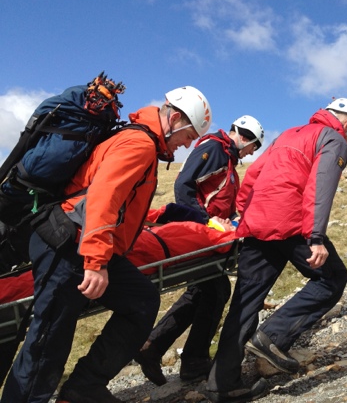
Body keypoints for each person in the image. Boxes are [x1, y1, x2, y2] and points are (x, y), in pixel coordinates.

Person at [0, 86, 212, 403]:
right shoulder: (138, 144)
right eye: (189, 134)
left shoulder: (143, 142)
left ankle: (84, 388)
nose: (188, 144)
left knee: (141, 301)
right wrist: (96, 262)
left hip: (85, 241)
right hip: (70, 242)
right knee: (48, 340)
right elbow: (103, 197)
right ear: (176, 119)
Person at [204, 98, 347, 403]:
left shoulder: (288, 134)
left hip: (256, 223)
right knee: (332, 278)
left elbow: (252, 177)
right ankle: (273, 337)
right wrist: (316, 237)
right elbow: (321, 184)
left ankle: (221, 384)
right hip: (291, 223)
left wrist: (243, 214)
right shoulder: (332, 138)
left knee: (245, 301)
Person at [135, 116, 265, 386]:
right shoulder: (215, 149)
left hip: (209, 237)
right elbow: (184, 186)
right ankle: (189, 359)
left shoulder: (226, 159)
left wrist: (227, 221)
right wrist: (204, 221)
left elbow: (217, 200)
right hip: (197, 234)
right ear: (244, 137)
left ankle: (157, 348)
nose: (253, 151)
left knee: (207, 290)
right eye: (254, 145)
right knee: (215, 290)